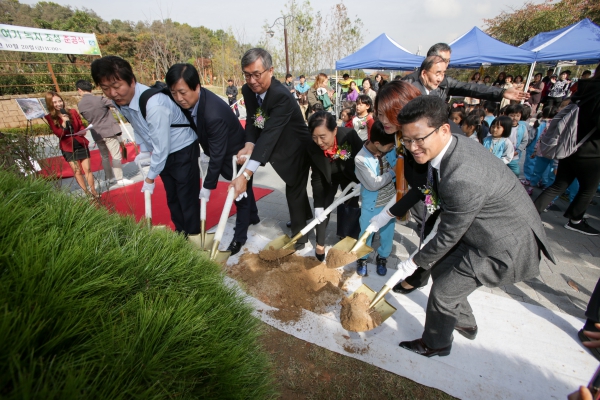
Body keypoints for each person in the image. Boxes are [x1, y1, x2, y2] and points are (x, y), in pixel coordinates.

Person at [367, 95, 553, 357]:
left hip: (504, 244)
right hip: (485, 227)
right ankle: (464, 320)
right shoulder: (453, 147)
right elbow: (428, 191)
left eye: (419, 139)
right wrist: (387, 214)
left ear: (443, 129)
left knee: (442, 293)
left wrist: (414, 262)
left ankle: (436, 344)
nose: (412, 147)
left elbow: (448, 233)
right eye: (406, 140)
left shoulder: (462, 176)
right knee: (443, 266)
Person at [91, 56, 199, 236]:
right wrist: (144, 150)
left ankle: (195, 238)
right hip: (163, 151)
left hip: (182, 150)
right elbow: (137, 124)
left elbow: (162, 147)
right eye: (105, 88)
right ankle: (182, 234)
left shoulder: (154, 103)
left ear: (132, 81)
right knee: (172, 197)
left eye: (117, 86)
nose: (113, 93)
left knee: (186, 198)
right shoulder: (121, 101)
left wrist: (149, 178)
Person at [165, 63, 259, 253]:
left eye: (182, 92)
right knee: (245, 190)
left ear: (197, 87)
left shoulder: (212, 113)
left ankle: (239, 237)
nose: (179, 98)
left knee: (239, 192)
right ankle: (253, 216)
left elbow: (217, 156)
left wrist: (207, 186)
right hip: (220, 150)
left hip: (235, 154)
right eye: (174, 93)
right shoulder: (195, 99)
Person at [231, 48, 313, 250]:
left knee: (294, 189)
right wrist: (249, 144)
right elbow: (252, 120)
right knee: (296, 190)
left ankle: (300, 237)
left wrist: (247, 175)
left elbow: (268, 135)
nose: (252, 81)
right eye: (247, 75)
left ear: (270, 71)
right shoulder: (248, 91)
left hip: (296, 148)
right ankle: (306, 216)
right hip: (275, 144)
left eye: (257, 74)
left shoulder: (281, 95)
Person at [533, 64, 600, 235]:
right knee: (588, 188)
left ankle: (532, 213)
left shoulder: (583, 88)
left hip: (569, 143)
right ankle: (575, 219)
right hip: (591, 150)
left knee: (559, 184)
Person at [307, 111, 362, 261]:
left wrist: (362, 182)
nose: (319, 142)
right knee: (324, 207)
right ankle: (320, 243)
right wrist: (318, 205)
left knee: (351, 204)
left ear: (335, 130)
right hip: (327, 176)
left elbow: (363, 159)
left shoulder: (349, 136)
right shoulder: (312, 147)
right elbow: (317, 178)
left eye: (323, 137)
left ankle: (347, 238)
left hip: (349, 175)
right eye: (314, 137)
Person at [403, 46, 526, 103]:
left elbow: (470, 88)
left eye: (448, 61)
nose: (446, 65)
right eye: (443, 60)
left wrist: (501, 92)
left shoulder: (445, 82)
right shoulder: (408, 83)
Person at [354, 121, 397, 276]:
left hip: (390, 202)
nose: (392, 148)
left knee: (387, 232)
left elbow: (398, 160)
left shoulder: (389, 150)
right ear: (378, 143)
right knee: (366, 232)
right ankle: (362, 258)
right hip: (371, 205)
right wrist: (393, 172)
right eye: (390, 146)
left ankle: (382, 257)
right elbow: (373, 184)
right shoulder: (361, 159)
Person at [76, 80, 133, 187]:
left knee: (105, 156)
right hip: (109, 131)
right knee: (116, 155)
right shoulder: (99, 99)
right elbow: (115, 104)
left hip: (96, 133)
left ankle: (110, 178)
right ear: (90, 88)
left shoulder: (80, 104)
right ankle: (119, 178)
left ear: (80, 90)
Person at [44, 91, 98, 197]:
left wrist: (83, 130)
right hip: (67, 146)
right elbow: (59, 134)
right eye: (55, 102)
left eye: (60, 101)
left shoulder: (72, 112)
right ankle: (86, 193)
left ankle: (94, 191)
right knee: (77, 171)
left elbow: (81, 125)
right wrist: (64, 122)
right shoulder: (50, 117)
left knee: (87, 169)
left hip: (80, 142)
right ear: (50, 104)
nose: (58, 104)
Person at [504, 104, 528, 176]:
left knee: (516, 172)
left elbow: (524, 141)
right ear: (507, 115)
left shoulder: (522, 128)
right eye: (512, 115)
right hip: (503, 154)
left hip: (514, 156)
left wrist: (518, 151)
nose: (515, 118)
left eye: (517, 116)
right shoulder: (504, 126)